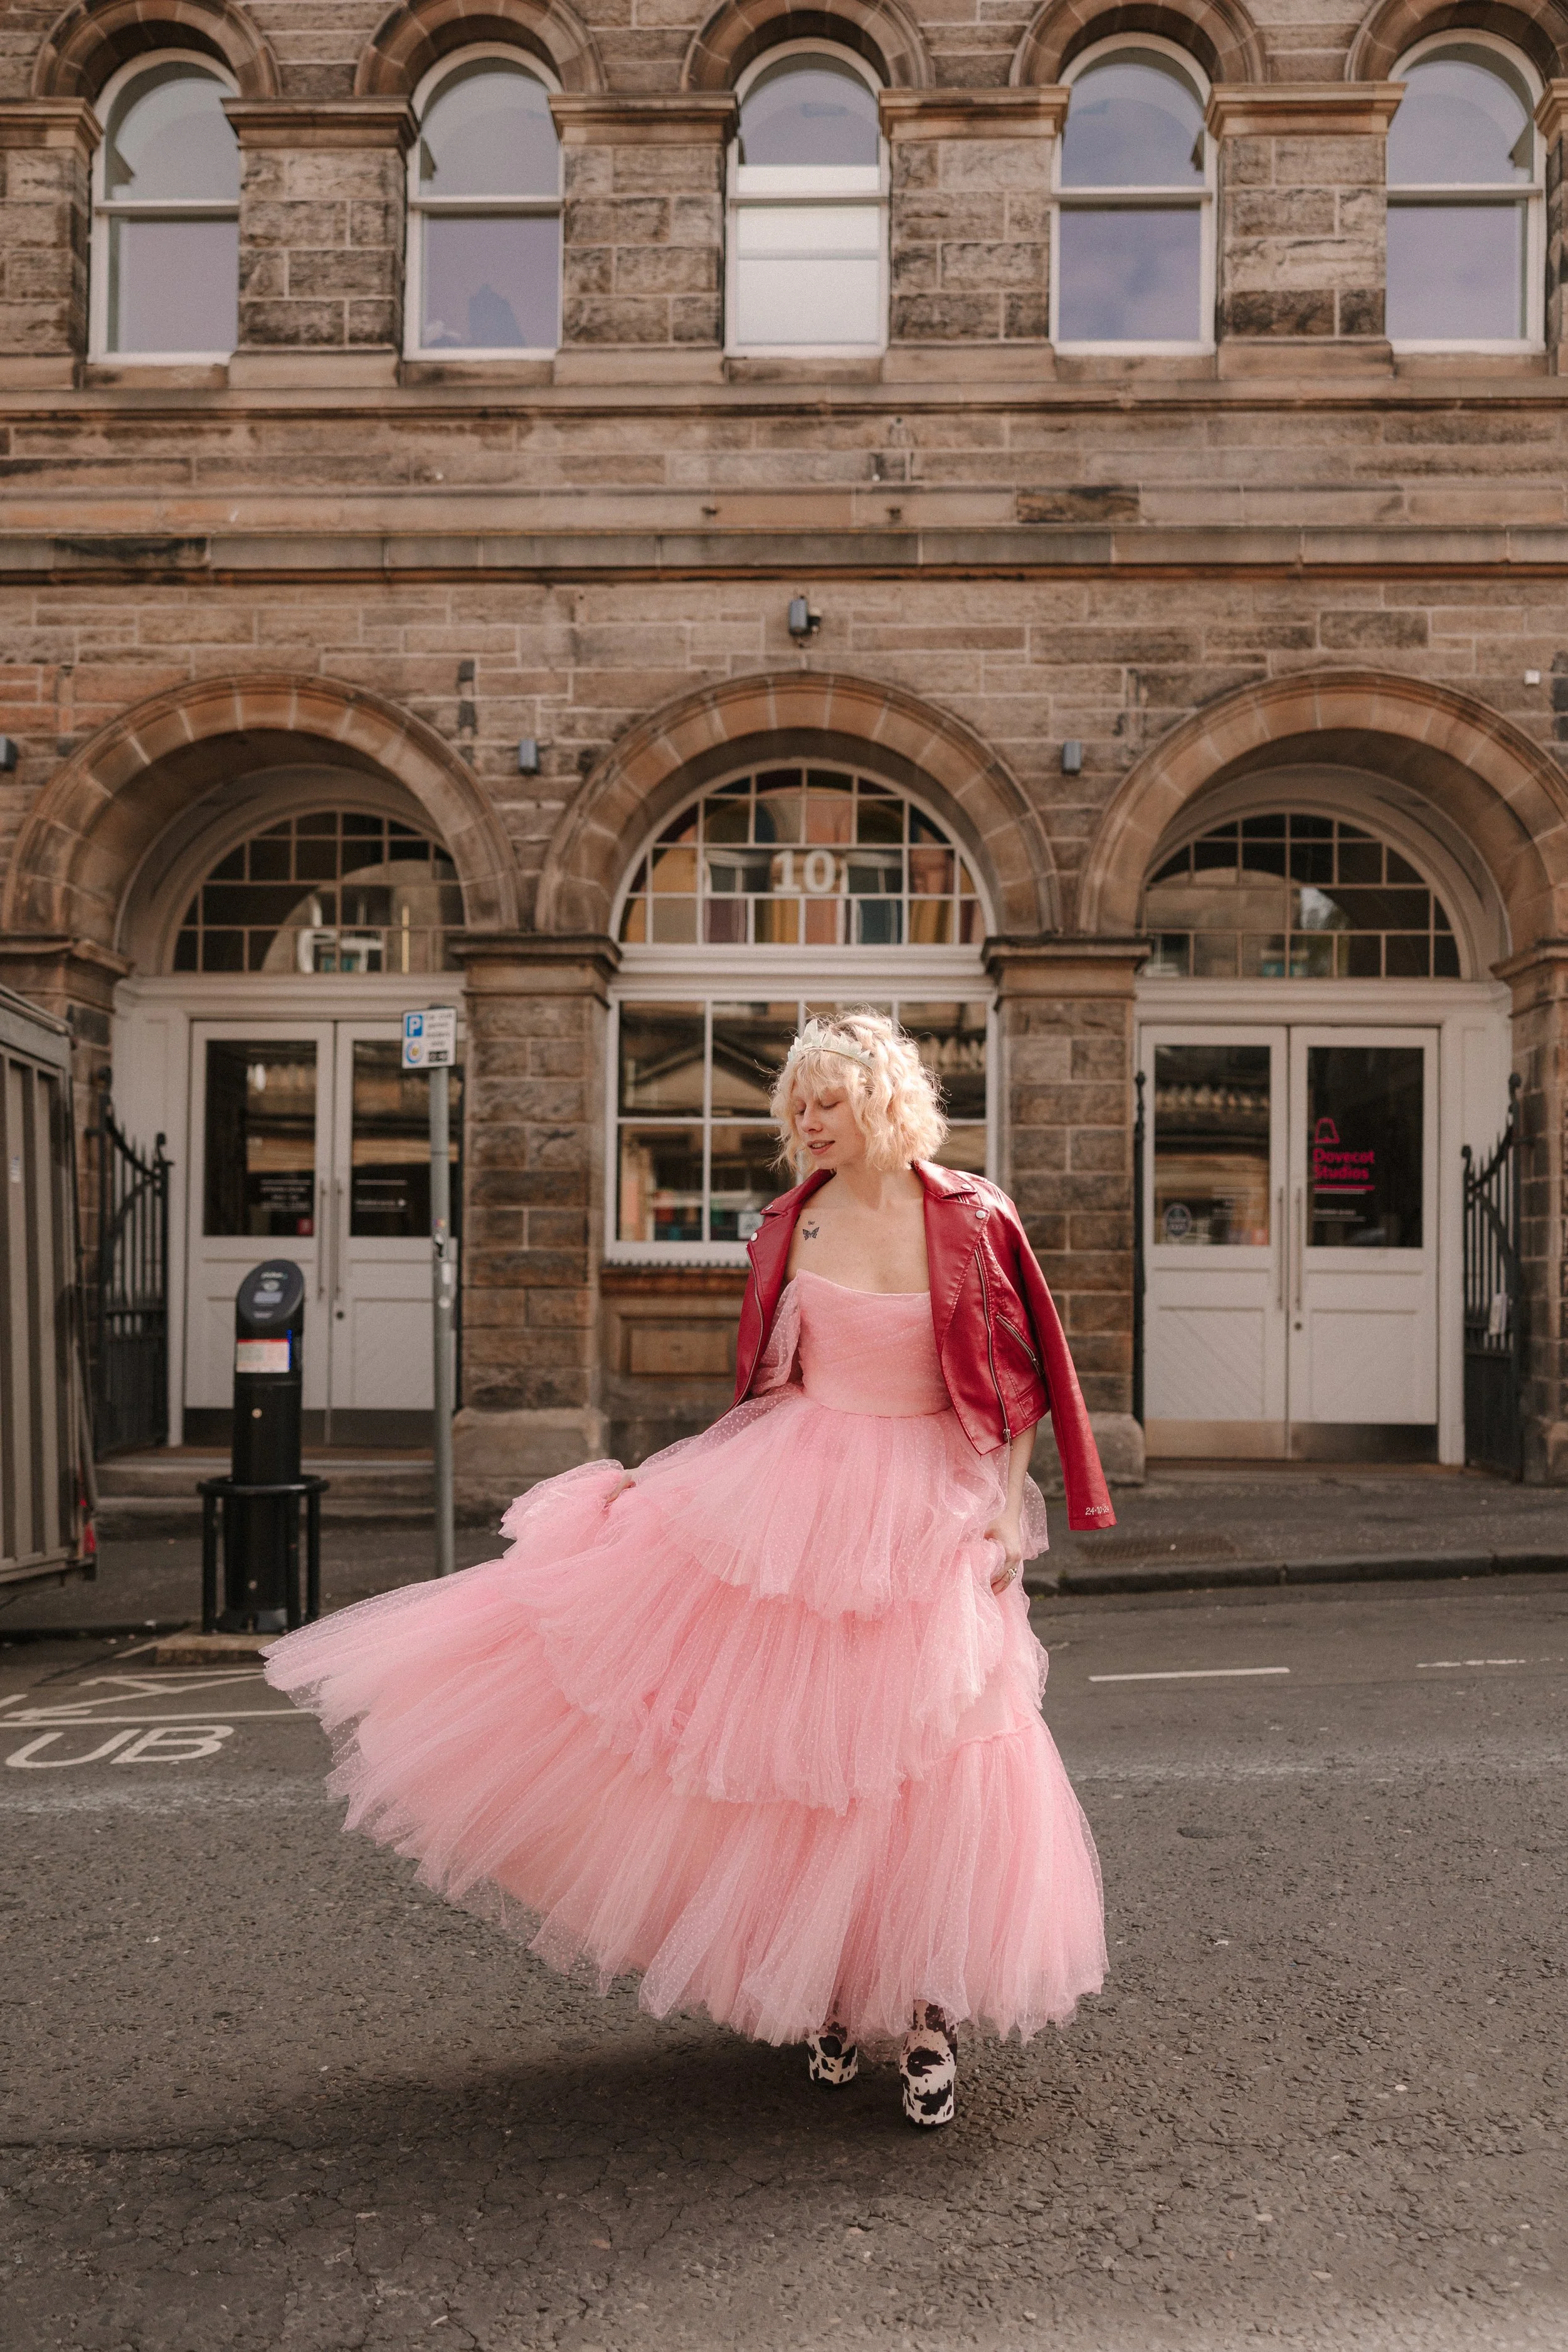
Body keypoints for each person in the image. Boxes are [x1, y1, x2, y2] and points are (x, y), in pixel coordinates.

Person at [265, 1010, 1113, 2127]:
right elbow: (765, 1392)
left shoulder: (972, 1215)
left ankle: (924, 2010)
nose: (806, 1121)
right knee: (792, 1753)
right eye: (795, 1104)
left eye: (827, 1101)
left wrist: (1007, 1517)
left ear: (883, 1101)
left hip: (926, 1511)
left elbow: (1019, 1388)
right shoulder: (789, 1225)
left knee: (929, 1762)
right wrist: (669, 1500)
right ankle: (820, 1986)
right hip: (797, 1499)